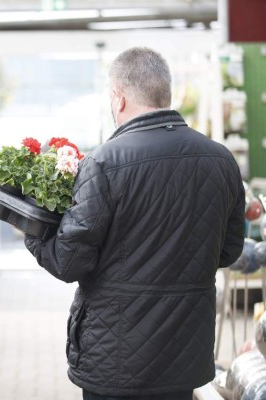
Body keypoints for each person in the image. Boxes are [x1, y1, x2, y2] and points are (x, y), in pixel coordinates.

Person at [24, 47, 246, 400]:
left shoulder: (103, 163)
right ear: (164, 91)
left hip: (115, 357)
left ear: (118, 96)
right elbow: (230, 249)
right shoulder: (220, 159)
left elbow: (68, 262)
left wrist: (34, 229)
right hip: (185, 353)